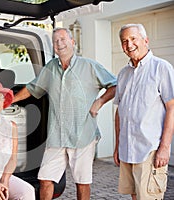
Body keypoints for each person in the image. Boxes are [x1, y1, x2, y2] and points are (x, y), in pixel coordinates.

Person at [13, 27, 117, 200]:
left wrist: (99, 102)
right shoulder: (50, 68)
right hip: (56, 136)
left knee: (82, 183)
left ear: (72, 42)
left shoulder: (89, 66)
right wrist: (10, 100)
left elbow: (114, 85)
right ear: (53, 46)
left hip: (82, 135)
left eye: (63, 39)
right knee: (45, 179)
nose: (59, 44)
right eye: (56, 41)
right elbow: (33, 88)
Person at [113, 23, 174, 200]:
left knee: (149, 196)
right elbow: (120, 112)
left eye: (133, 39)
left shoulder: (161, 68)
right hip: (127, 149)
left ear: (145, 40)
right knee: (135, 195)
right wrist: (117, 146)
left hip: (150, 149)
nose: (129, 44)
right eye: (124, 41)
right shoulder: (124, 73)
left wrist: (164, 147)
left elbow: (172, 107)